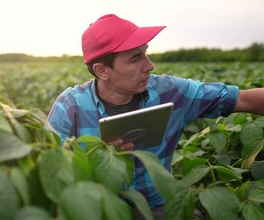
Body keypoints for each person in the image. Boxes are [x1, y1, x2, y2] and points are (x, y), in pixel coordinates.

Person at [47, 14, 264, 219]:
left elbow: (243, 100)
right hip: (100, 210)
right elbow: (54, 176)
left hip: (158, 208)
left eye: (146, 52)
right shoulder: (70, 107)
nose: (150, 65)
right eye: (135, 58)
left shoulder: (170, 92)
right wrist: (96, 157)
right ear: (102, 71)